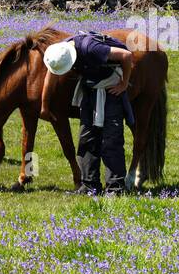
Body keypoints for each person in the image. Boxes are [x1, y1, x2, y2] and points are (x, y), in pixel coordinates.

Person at [42, 32, 136, 194]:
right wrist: (44, 105)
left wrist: (124, 84)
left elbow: (126, 56)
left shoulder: (91, 49)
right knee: (86, 139)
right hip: (90, 88)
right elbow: (50, 74)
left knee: (111, 139)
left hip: (110, 88)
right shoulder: (60, 51)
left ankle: (115, 187)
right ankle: (89, 185)